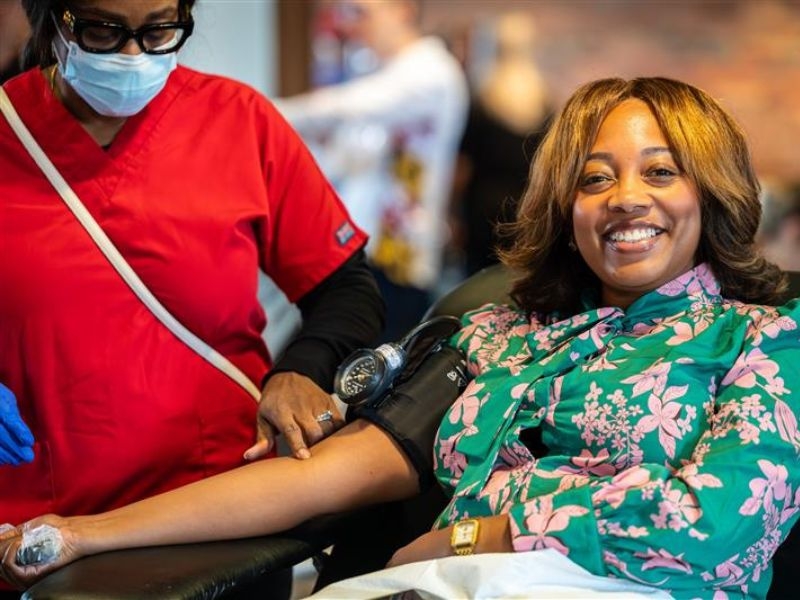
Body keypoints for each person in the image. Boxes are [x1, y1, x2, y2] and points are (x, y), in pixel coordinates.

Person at [3, 76, 800, 599]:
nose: (626, 199)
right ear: (566, 204)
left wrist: (481, 531)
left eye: (661, 172)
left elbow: (721, 526)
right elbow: (322, 478)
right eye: (596, 178)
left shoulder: (766, 342)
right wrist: (81, 533)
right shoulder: (498, 334)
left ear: (713, 191)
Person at [0, 0, 385, 587]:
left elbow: (346, 286)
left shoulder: (238, 120)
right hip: (38, 534)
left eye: (159, 30)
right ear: (53, 17)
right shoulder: (9, 131)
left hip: (218, 520)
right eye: (103, 30)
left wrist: (302, 369)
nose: (133, 55)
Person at [276, 0, 469, 342]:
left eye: (362, 12)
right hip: (364, 256)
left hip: (396, 262)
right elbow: (342, 158)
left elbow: (345, 107)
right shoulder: (386, 74)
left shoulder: (431, 71)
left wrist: (262, 112)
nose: (353, 25)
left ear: (402, 9)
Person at [451, 11, 552, 275]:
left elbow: (461, 169)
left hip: (482, 214)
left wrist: (451, 215)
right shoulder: (545, 104)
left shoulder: (481, 102)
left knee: (475, 289)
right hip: (528, 212)